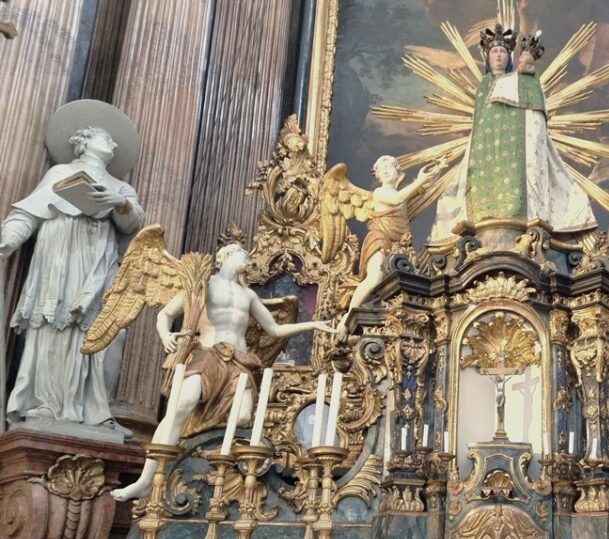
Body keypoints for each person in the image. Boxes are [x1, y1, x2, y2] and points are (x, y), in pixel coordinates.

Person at [112, 243, 335, 500]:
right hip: (207, 354)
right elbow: (165, 313)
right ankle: (145, 480)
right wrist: (165, 335)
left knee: (241, 417)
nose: (249, 259)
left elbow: (273, 329)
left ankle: (211, 466)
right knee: (180, 404)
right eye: (245, 254)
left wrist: (313, 324)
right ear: (227, 256)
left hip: (239, 360)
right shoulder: (202, 283)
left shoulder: (248, 296)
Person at [0, 100, 144, 432]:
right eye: (105, 137)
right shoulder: (60, 174)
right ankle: (45, 403)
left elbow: (134, 225)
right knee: (53, 323)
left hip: (98, 260)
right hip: (60, 255)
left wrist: (119, 203)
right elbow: (27, 213)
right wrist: (7, 241)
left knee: (102, 329)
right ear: (83, 140)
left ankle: (93, 408)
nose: (114, 143)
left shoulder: (122, 187)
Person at [429, 23, 596, 244]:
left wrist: (527, 66)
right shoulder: (484, 85)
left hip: (515, 152)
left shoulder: (524, 81)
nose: (498, 56)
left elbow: (533, 111)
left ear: (509, 57)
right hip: (485, 150)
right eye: (494, 52)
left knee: (516, 192)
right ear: (487, 58)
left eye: (503, 52)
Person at [334, 155, 443, 333]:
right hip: (379, 238)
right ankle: (348, 316)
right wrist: (420, 181)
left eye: (389, 167)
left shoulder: (401, 192)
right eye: (381, 169)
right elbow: (398, 199)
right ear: (377, 176)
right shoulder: (380, 193)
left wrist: (435, 170)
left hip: (397, 243)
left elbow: (422, 189)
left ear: (398, 171)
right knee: (374, 277)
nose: (385, 171)